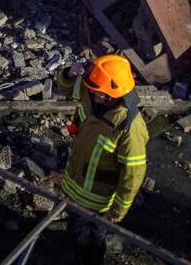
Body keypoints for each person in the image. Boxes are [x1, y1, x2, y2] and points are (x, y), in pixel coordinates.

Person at [55, 54, 148, 256]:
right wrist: (68, 74)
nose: (89, 91)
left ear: (110, 95)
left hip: (98, 200)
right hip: (74, 184)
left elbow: (133, 174)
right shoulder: (93, 94)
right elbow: (66, 89)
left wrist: (116, 213)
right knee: (75, 226)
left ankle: (92, 255)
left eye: (95, 91)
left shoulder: (129, 127)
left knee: (95, 235)